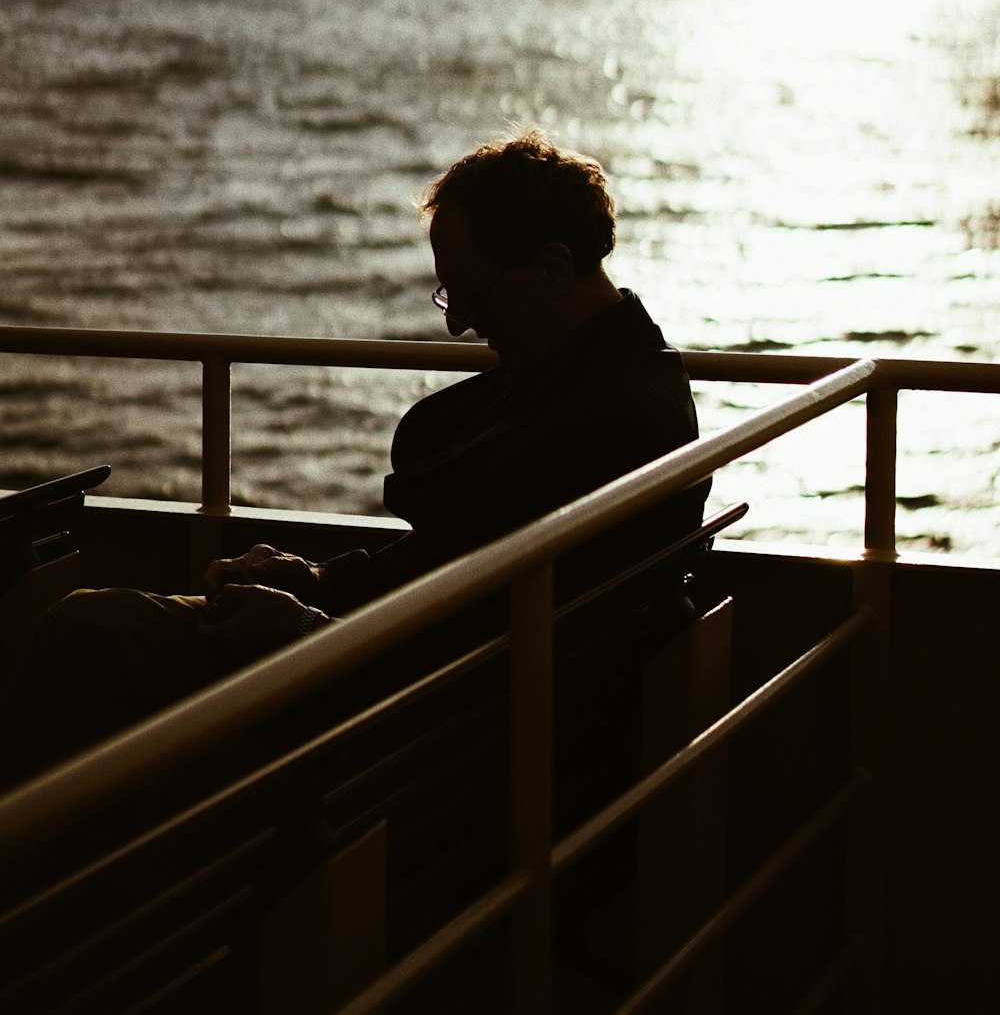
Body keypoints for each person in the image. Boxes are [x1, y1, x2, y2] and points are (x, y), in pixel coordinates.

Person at [9, 129, 710, 774]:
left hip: (429, 729)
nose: (463, 325)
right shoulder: (617, 382)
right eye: (450, 299)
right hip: (436, 686)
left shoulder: (601, 421)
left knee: (87, 629)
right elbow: (456, 574)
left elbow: (474, 638)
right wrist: (312, 579)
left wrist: (309, 629)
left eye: (473, 296)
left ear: (554, 268)